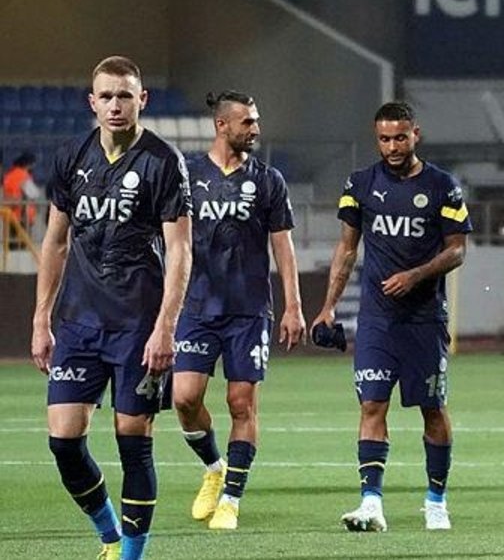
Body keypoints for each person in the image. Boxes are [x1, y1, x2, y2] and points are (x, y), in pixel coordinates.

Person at [30, 55, 192, 560]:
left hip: (137, 326)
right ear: (92, 102)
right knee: (64, 443)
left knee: (133, 442)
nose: (115, 105)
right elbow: (55, 241)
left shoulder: (163, 162)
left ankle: (131, 556)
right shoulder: (70, 157)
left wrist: (165, 327)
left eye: (125, 95)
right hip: (78, 322)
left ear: (142, 99)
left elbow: (181, 250)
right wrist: (41, 319)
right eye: (106, 96)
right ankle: (109, 535)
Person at [311, 101, 471, 533]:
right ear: (376, 138)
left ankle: (435, 501)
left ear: (416, 134)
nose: (393, 146)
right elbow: (347, 249)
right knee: (372, 404)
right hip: (377, 320)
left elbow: (457, 250)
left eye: (401, 137)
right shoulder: (360, 184)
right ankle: (371, 503)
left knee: (432, 408)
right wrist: (328, 306)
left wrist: (415, 275)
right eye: (385, 139)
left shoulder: (442, 186)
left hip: (424, 319)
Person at [172, 91, 305, 530]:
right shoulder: (187, 175)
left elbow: (283, 246)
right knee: (184, 398)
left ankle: (230, 499)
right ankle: (214, 469)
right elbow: (170, 240)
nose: (255, 129)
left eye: (256, 120)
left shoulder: (268, 180)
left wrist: (293, 306)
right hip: (195, 306)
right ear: (222, 125)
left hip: (249, 310)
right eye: (247, 121)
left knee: (241, 403)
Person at [3, 151, 43, 247]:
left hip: (10, 215)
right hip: (23, 217)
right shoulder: (23, 175)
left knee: (11, 246)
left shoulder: (9, 175)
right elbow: (34, 194)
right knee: (23, 246)